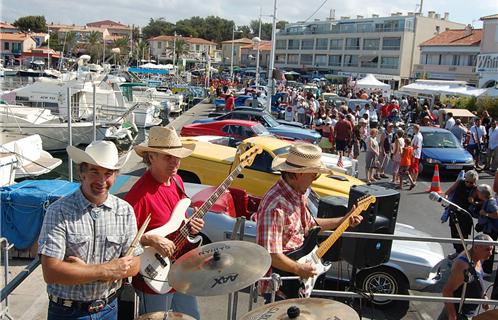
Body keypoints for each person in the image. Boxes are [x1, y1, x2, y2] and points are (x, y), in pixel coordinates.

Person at [38, 141, 142, 320]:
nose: (102, 181)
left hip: (109, 308)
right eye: (95, 171)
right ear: (82, 173)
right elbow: (51, 272)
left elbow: (135, 265)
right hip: (67, 313)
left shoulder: (125, 211)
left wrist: (84, 271)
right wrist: (107, 270)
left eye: (108, 173)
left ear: (115, 176)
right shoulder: (59, 211)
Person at [256, 143, 363, 301]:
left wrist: (343, 220)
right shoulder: (275, 206)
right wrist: (299, 269)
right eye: (314, 174)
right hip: (281, 288)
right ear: (297, 174)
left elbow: (310, 225)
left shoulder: (298, 194)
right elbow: (271, 255)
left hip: (295, 280)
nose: (315, 178)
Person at [125, 127, 204, 319]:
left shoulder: (177, 181)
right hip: (153, 278)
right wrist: (151, 239)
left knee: (192, 316)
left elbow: (178, 221)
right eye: (168, 157)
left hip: (180, 268)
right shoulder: (138, 196)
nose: (175, 162)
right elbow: (123, 241)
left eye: (177, 156)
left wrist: (190, 225)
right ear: (151, 157)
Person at [438, 234, 493, 320]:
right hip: (458, 313)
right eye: (487, 250)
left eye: (492, 249)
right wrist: (452, 315)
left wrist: (483, 296)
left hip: (468, 313)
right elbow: (447, 290)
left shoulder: (478, 258)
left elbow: (477, 279)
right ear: (476, 247)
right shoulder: (463, 265)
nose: (490, 253)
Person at [444, 170, 479, 259]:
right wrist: (446, 199)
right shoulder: (460, 182)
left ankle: (463, 253)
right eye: (467, 181)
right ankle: (457, 251)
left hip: (465, 215)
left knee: (464, 235)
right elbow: (448, 192)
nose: (468, 184)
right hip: (454, 212)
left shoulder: (476, 189)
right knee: (454, 232)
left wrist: (474, 202)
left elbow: (482, 201)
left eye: (471, 182)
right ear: (465, 178)